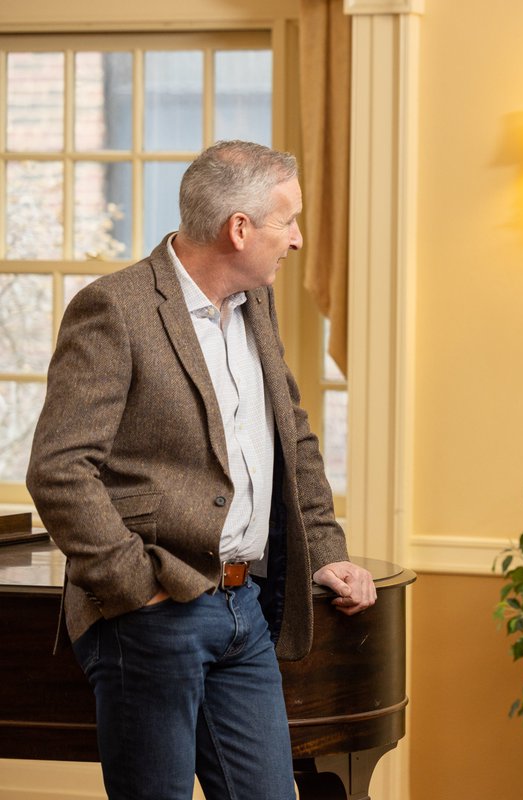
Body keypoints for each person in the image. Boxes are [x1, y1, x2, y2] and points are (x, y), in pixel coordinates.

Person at [26, 140, 377, 800]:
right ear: (238, 229)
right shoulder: (117, 309)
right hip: (154, 614)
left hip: (247, 608)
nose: (298, 240)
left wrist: (326, 551)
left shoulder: (257, 306)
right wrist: (135, 586)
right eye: (288, 221)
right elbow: (58, 469)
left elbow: (291, 437)